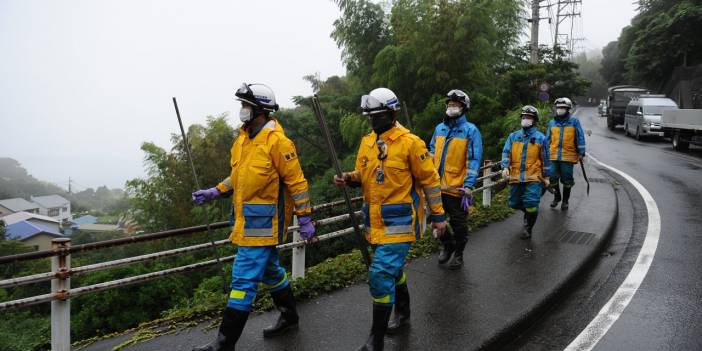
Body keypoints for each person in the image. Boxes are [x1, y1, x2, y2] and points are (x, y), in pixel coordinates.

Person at [191, 82, 315, 351]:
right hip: (245, 222)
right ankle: (290, 316)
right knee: (271, 271)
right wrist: (216, 191)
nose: (242, 110)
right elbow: (238, 176)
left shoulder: (279, 143)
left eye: (246, 105)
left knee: (243, 280)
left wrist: (304, 217)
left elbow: (297, 184)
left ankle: (224, 343)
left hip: (264, 225)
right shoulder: (243, 141)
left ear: (260, 110)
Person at [333, 87, 447, 351]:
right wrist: (349, 178)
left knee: (380, 273)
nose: (372, 120)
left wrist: (438, 217)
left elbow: (430, 181)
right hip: (373, 222)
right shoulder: (368, 141)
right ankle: (404, 311)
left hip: (400, 223)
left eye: (377, 115)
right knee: (393, 271)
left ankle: (376, 339)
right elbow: (365, 174)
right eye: (369, 116)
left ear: (391, 113)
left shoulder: (411, 143)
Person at [429, 89, 483, 269]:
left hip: (457, 188)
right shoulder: (439, 128)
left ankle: (459, 253)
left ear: (464, 108)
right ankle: (448, 244)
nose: (451, 107)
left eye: (456, 105)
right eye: (449, 104)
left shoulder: (470, 131)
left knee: (458, 225)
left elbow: (474, 160)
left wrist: (468, 185)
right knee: (435, 222)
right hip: (436, 187)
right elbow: (431, 153)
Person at [501, 105, 551, 239]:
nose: (525, 119)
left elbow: (546, 159)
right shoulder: (513, 136)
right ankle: (529, 214)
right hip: (516, 176)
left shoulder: (541, 138)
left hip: (534, 177)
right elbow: (506, 152)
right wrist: (505, 167)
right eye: (523, 117)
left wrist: (546, 177)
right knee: (514, 203)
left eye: (529, 117)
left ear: (534, 120)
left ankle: (528, 227)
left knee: (531, 203)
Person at [545, 97, 586, 210]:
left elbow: (580, 137)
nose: (560, 109)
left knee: (567, 179)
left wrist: (581, 152)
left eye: (563, 108)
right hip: (553, 155)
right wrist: (543, 152)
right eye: (558, 107)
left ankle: (565, 201)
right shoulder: (552, 123)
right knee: (552, 177)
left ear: (568, 109)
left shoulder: (574, 122)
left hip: (568, 156)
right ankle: (557, 197)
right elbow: (547, 139)